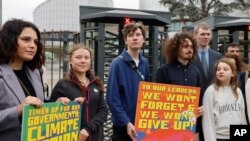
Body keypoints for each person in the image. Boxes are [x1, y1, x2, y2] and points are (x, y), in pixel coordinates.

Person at [50, 44, 108, 141]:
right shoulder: (62, 85)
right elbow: (50, 113)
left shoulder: (96, 84)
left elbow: (103, 110)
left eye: (86, 58)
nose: (83, 61)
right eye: (78, 57)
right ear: (70, 61)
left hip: (95, 137)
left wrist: (88, 129)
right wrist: (59, 104)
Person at [0, 19, 45, 140]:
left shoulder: (35, 72)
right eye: (26, 39)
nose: (32, 46)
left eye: (36, 42)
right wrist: (18, 110)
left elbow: (38, 102)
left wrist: (58, 104)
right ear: (9, 40)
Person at [106, 21, 149, 141]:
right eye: (130, 35)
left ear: (143, 39)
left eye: (138, 34)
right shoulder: (117, 64)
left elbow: (146, 94)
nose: (134, 38)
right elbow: (111, 99)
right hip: (122, 127)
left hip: (141, 125)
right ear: (125, 41)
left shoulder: (145, 63)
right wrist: (126, 122)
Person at [156, 32, 202, 140]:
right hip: (169, 127)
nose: (189, 49)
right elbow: (157, 100)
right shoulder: (164, 70)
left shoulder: (196, 71)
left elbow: (200, 96)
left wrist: (201, 108)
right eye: (185, 46)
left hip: (192, 127)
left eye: (191, 47)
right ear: (176, 49)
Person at [202, 58, 247, 141]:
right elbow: (207, 121)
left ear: (233, 73)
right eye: (218, 69)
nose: (221, 71)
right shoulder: (211, 91)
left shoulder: (238, 91)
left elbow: (242, 117)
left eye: (225, 69)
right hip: (219, 137)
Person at [193, 22, 222, 141]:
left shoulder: (218, 56)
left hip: (213, 106)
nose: (206, 37)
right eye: (202, 34)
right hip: (194, 107)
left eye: (208, 34)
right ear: (195, 35)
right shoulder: (189, 55)